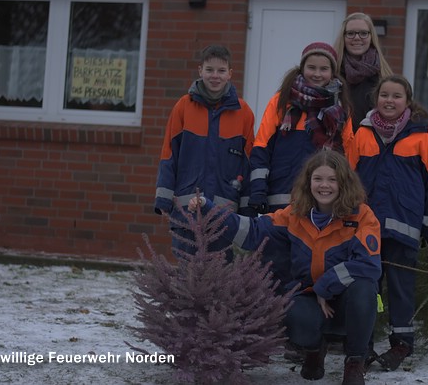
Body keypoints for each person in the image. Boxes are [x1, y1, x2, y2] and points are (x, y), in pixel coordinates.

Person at [189, 150, 381, 385]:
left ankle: (354, 362)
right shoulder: (294, 214)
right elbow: (253, 232)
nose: (325, 186)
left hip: (345, 301)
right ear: (308, 182)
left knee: (365, 290)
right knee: (294, 317)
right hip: (308, 297)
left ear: (344, 182)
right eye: (318, 179)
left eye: (332, 179)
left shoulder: (362, 216)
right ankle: (313, 350)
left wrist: (325, 286)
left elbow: (368, 265)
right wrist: (210, 208)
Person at [347, 74, 428, 371]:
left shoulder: (421, 134)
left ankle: (402, 343)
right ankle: (362, 346)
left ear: (407, 101)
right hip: (367, 231)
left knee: (401, 289)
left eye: (396, 96)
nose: (389, 100)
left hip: (405, 228)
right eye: (384, 95)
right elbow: (348, 179)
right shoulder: (361, 133)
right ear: (376, 99)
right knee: (367, 289)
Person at [248, 41, 354, 292]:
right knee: (274, 265)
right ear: (302, 67)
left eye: (324, 69)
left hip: (321, 204)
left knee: (309, 265)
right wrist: (257, 190)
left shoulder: (341, 110)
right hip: (279, 198)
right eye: (311, 67)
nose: (317, 74)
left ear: (333, 73)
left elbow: (348, 157)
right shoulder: (280, 102)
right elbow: (261, 146)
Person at [154, 44, 255, 262]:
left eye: (221, 71)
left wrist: (247, 208)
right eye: (209, 70)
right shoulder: (183, 107)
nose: (215, 76)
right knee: (186, 274)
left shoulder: (243, 113)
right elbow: (169, 153)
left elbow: (248, 163)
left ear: (230, 73)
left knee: (221, 275)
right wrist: (163, 198)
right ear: (200, 70)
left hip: (225, 213)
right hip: (185, 212)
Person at [334, 12, 393, 133]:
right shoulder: (331, 73)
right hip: (336, 147)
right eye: (350, 33)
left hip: (371, 148)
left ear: (371, 37)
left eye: (363, 33)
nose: (357, 37)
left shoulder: (384, 76)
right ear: (343, 37)